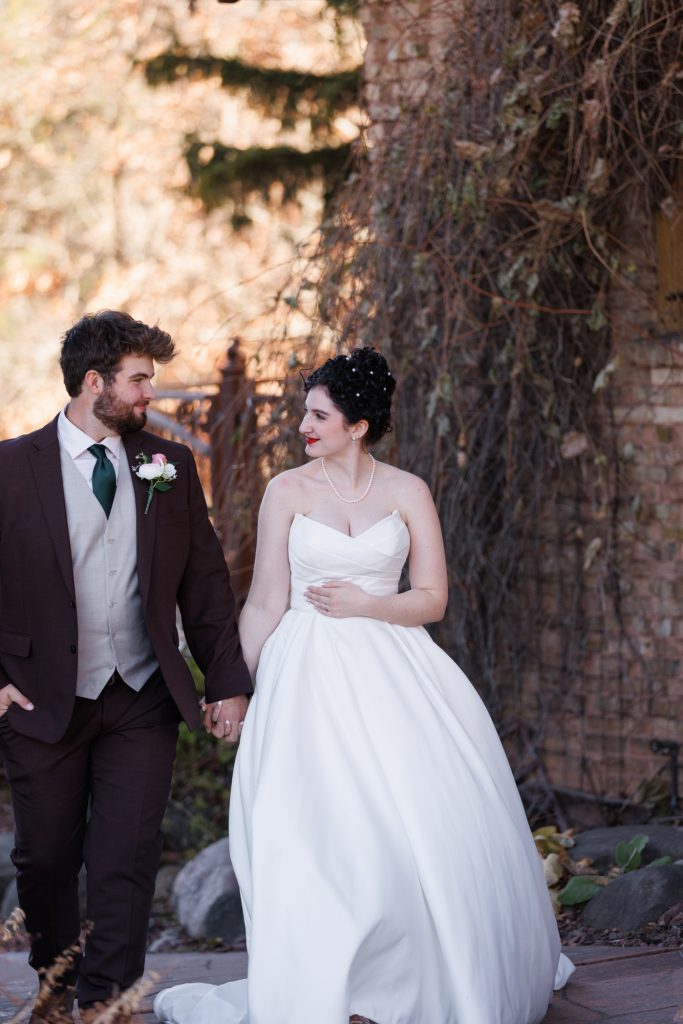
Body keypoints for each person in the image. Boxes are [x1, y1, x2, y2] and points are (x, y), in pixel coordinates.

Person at [154, 347, 574, 1024]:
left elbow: (432, 598)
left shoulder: (408, 492)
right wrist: (230, 686)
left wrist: (367, 604)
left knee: (410, 829)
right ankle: (335, 990)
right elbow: (264, 601)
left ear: (358, 426)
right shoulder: (286, 491)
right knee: (317, 831)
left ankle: (405, 982)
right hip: (304, 678)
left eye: (318, 416)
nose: (303, 426)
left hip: (393, 671)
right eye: (304, 413)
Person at [0, 311, 251, 1024]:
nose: (150, 394)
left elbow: (205, 583)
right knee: (46, 860)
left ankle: (106, 1001)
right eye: (139, 380)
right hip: (39, 697)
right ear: (94, 382)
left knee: (127, 856)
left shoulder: (169, 464)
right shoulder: (10, 468)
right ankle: (54, 991)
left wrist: (227, 683)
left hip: (141, 693)